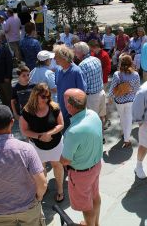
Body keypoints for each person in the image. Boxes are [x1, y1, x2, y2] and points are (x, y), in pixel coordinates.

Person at [60, 88, 103, 226]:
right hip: (95, 166)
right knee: (95, 195)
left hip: (81, 174)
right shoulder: (93, 114)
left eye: (65, 101)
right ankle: (96, 224)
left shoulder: (73, 132)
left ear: (70, 106)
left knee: (86, 205)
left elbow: (65, 160)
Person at [20, 83, 65, 203]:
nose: (47, 99)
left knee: (57, 166)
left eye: (48, 96)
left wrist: (49, 134)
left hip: (56, 144)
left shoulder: (54, 107)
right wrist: (40, 136)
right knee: (41, 169)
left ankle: (60, 189)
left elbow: (61, 124)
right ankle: (43, 189)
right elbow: (24, 130)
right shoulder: (27, 111)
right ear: (35, 96)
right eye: (44, 97)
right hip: (37, 147)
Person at [108, 55, 140, 148]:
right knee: (129, 118)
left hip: (119, 100)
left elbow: (112, 87)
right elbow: (137, 88)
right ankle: (127, 139)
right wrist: (130, 91)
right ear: (131, 63)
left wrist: (110, 97)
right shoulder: (136, 74)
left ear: (120, 63)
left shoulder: (117, 74)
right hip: (130, 100)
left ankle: (124, 132)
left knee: (122, 117)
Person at [74, 42, 107, 127]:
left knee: (92, 121)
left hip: (92, 98)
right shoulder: (96, 59)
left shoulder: (82, 65)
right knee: (101, 117)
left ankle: (97, 139)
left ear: (81, 53)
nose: (75, 54)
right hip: (101, 93)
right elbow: (101, 76)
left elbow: (83, 86)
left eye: (76, 52)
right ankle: (101, 137)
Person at [54, 44, 86, 129]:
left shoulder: (76, 72)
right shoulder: (58, 70)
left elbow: (82, 93)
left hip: (73, 112)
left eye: (56, 57)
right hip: (61, 109)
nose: (54, 59)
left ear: (64, 58)